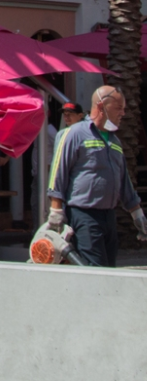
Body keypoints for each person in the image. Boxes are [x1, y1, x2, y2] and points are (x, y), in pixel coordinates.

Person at [47, 85, 147, 267]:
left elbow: (123, 180)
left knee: (108, 269)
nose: (123, 113)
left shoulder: (114, 141)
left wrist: (137, 213)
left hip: (108, 216)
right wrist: (56, 210)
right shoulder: (74, 134)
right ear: (101, 107)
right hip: (84, 215)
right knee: (94, 270)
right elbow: (58, 171)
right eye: (119, 108)